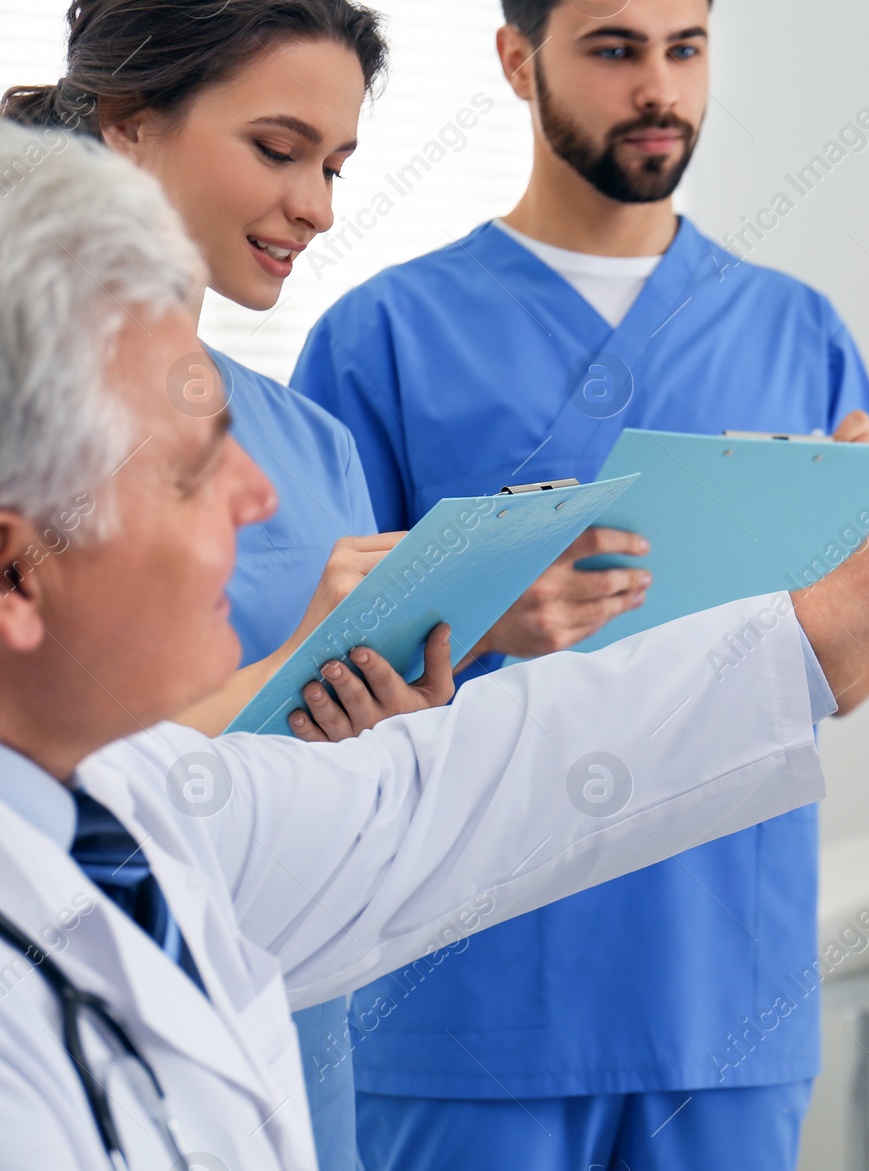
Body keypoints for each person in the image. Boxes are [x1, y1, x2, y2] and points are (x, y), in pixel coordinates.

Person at [0, 119, 869, 1171]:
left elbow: (462, 787)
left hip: (715, 981)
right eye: (192, 472)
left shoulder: (141, 813)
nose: (262, 496)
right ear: (17, 571)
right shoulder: (390, 330)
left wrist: (842, 611)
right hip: (479, 1036)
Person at [290, 3, 869, 1165]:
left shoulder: (796, 331)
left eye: (686, 47)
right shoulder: (382, 336)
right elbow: (299, 680)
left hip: (722, 989)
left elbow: (845, 682)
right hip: (462, 999)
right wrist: (477, 615)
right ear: (519, 61)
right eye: (614, 49)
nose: (658, 87)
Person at [2, 3, 451, 1167]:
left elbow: (354, 799)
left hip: (291, 1041)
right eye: (278, 148)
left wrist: (394, 719)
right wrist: (285, 668)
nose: (318, 205)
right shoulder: (33, 435)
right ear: (129, 129)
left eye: (338, 165)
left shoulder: (314, 447)